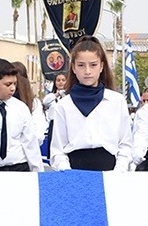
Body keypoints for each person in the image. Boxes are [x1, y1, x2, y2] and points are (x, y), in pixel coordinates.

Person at [48, 37, 134, 171]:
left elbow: (125, 143)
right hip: (75, 169)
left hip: (111, 170)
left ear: (101, 66)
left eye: (93, 65)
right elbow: (57, 149)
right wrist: (68, 172)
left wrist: (119, 170)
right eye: (81, 65)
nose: (87, 71)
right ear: (73, 68)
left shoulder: (116, 101)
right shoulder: (63, 105)